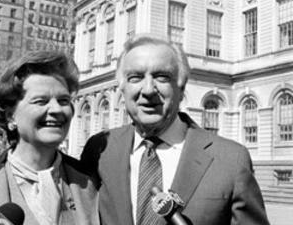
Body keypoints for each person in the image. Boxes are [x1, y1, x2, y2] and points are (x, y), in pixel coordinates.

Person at [80, 34, 270, 225]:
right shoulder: (99, 151)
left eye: (161, 77)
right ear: (122, 89)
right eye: (135, 77)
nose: (148, 90)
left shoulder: (231, 159)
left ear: (181, 87)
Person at [0, 51, 99, 225]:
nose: (56, 110)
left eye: (63, 100)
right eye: (41, 101)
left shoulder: (91, 184)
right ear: (10, 116)